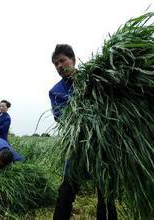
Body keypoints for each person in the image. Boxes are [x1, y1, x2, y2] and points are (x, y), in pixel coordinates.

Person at [49, 44, 118, 220]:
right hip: (76, 149)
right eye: (55, 63)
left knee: (106, 194)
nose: (59, 66)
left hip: (102, 146)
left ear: (73, 59)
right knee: (65, 192)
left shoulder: (93, 78)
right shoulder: (55, 91)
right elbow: (62, 118)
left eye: (62, 61)